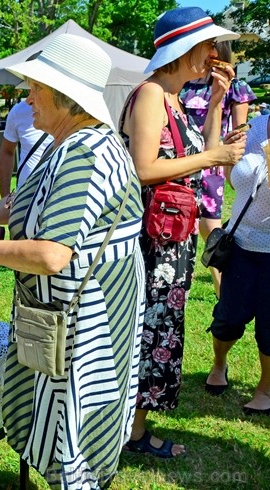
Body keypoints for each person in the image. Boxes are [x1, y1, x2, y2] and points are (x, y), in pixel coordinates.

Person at [0, 34, 145, 488]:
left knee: (75, 422)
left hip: (85, 319)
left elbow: (51, 254)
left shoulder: (87, 154)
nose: (28, 96)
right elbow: (27, 196)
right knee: (52, 416)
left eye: (37, 87)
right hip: (62, 313)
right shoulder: (67, 142)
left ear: (67, 97)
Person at [120, 7, 245, 457]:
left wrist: (216, 104)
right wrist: (212, 160)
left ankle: (133, 431)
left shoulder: (173, 98)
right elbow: (144, 168)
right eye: (208, 45)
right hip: (151, 242)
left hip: (170, 240)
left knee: (158, 330)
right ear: (185, 49)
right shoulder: (152, 94)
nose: (214, 53)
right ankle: (130, 434)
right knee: (146, 331)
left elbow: (205, 152)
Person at [180, 41, 257, 297]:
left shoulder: (236, 87)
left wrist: (232, 163)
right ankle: (191, 274)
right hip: (183, 160)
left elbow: (240, 131)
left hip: (214, 163)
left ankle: (223, 284)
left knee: (210, 224)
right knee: (184, 217)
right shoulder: (186, 85)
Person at [205, 114, 270, 415]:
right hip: (241, 243)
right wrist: (230, 159)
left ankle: (265, 389)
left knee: (269, 329)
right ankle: (219, 364)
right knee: (228, 318)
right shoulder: (254, 127)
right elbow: (235, 181)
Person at [0, 100, 52, 198]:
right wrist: (5, 196)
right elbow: (7, 151)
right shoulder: (19, 111)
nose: (30, 97)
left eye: (37, 88)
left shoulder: (75, 112)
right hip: (26, 195)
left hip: (59, 194)